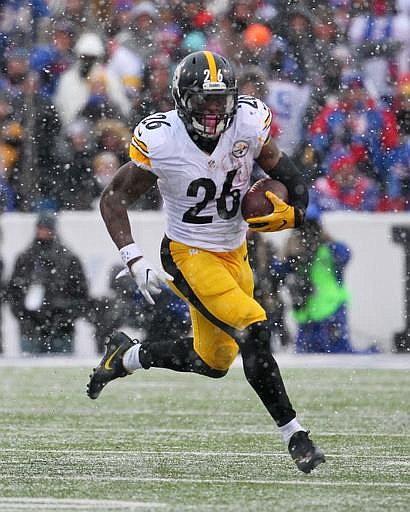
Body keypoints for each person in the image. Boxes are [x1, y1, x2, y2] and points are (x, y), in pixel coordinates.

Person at [86, 51, 325, 474]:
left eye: (221, 100)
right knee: (254, 325)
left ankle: (126, 356)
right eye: (204, 101)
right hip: (187, 254)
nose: (214, 111)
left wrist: (296, 212)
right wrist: (133, 257)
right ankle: (296, 436)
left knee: (213, 362)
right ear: (183, 100)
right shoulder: (163, 139)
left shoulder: (250, 123)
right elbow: (114, 197)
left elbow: (288, 174)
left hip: (234, 252)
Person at [7, 211, 89, 353]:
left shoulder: (68, 259)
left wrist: (64, 316)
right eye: (40, 227)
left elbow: (81, 294)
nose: (41, 231)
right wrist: (26, 317)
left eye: (45, 227)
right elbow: (14, 293)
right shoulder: (26, 258)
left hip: (61, 331)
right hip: (32, 330)